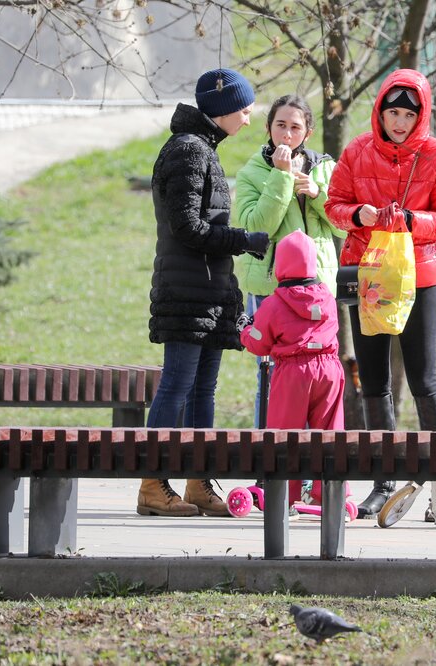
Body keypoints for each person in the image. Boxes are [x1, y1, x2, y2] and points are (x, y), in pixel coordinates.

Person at [324, 69, 436, 518]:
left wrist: (410, 221)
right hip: (370, 276)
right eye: (392, 113)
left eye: (408, 114)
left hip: (420, 278)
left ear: (421, 115)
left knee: (425, 379)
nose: (399, 122)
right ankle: (382, 482)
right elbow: (333, 205)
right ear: (379, 112)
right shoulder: (356, 151)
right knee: (374, 383)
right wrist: (359, 215)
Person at [137, 68, 271, 518]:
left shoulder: (204, 149)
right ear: (222, 109)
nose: (249, 120)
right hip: (185, 292)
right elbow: (188, 228)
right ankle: (153, 485)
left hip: (211, 293)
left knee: (203, 391)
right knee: (177, 384)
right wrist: (244, 240)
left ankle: (198, 481)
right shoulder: (187, 152)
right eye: (245, 111)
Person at [233, 94, 345, 428]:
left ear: (307, 133)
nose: (287, 134)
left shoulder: (324, 166)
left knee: (317, 372)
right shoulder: (253, 172)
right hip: (271, 289)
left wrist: (317, 193)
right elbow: (256, 227)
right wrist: (281, 178)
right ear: (268, 129)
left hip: (318, 293)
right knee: (269, 376)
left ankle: (315, 473)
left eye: (295, 127)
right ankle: (268, 463)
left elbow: (344, 225)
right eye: (280, 125)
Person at [238, 230, 345, 504]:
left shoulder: (275, 304)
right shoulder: (328, 299)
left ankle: (284, 496)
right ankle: (330, 496)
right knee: (330, 433)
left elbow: (259, 344)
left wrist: (244, 330)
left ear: (280, 265)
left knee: (284, 436)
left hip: (293, 372)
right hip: (329, 370)